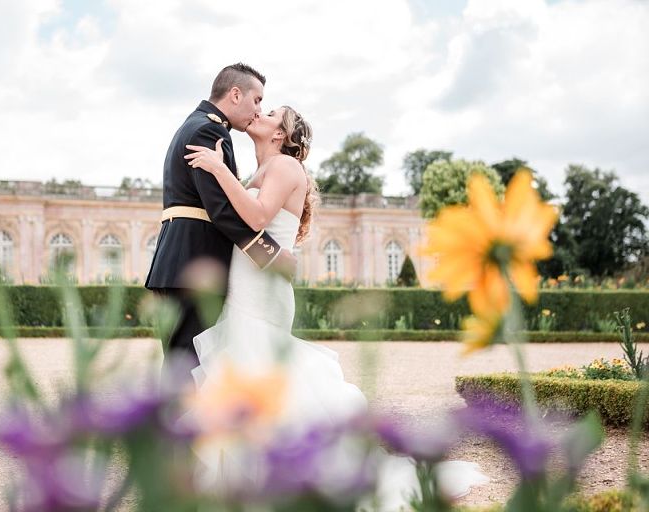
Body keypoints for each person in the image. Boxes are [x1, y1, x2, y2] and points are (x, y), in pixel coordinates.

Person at [184, 105, 488, 510]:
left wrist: (218, 170)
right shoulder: (257, 172)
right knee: (246, 369)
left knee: (260, 365)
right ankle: (254, 473)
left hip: (263, 290)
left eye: (272, 112)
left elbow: (255, 216)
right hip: (246, 284)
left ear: (281, 134)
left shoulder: (286, 167)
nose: (261, 112)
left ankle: (282, 475)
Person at [145, 63, 297, 370]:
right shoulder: (208, 130)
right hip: (194, 262)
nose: (258, 110)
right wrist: (269, 254)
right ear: (236, 94)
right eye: (257, 101)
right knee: (188, 365)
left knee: (185, 362)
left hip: (180, 260)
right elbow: (221, 210)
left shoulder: (197, 124)